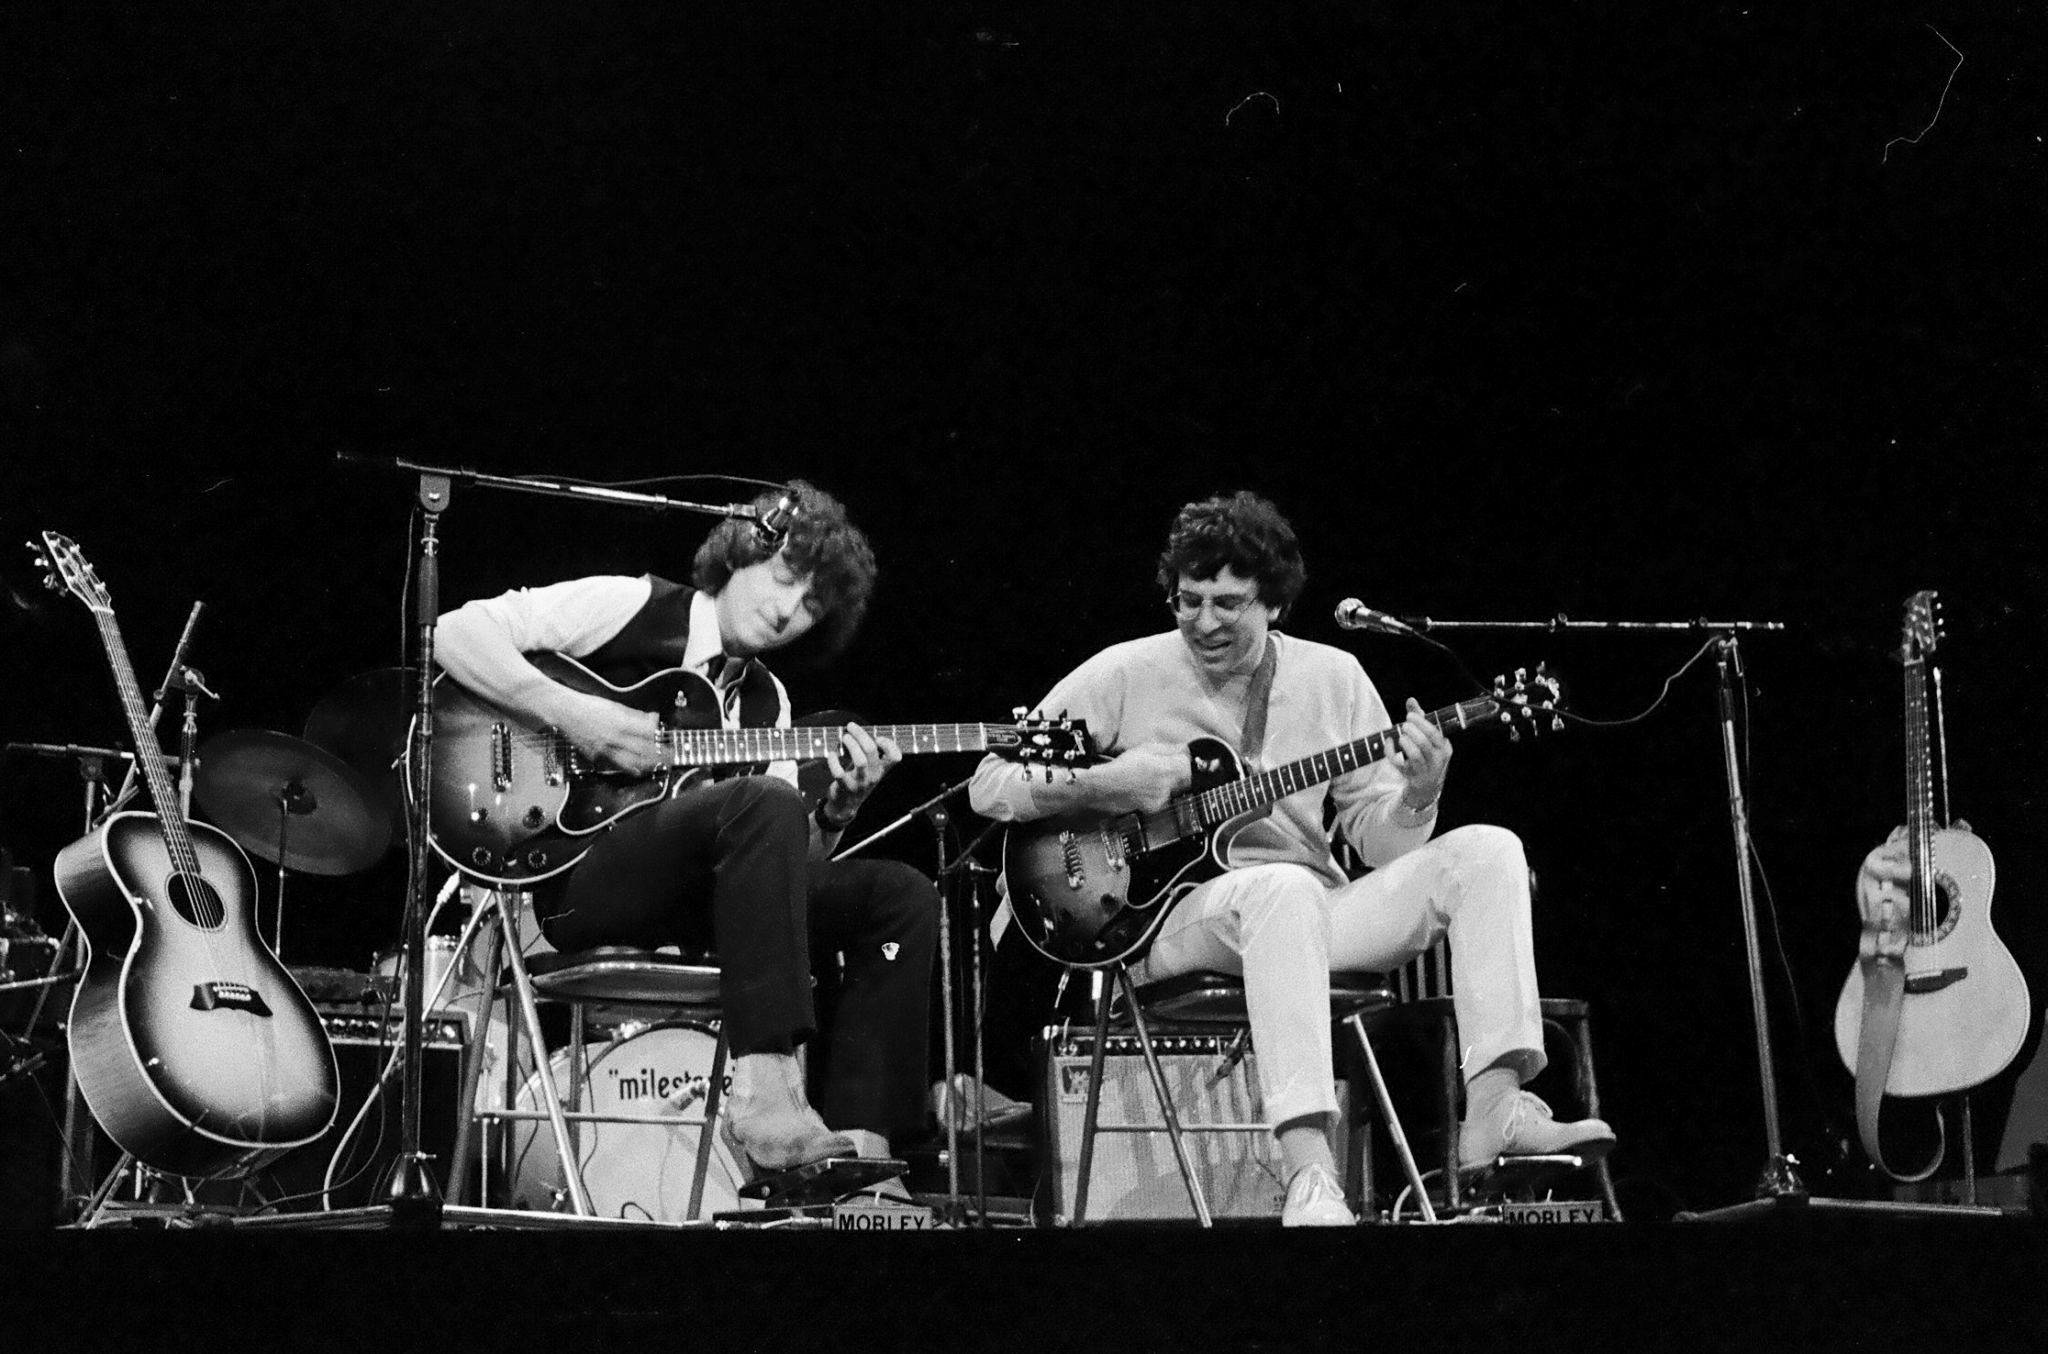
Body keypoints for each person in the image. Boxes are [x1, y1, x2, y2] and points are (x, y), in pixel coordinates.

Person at [968, 490, 1613, 1226]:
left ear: (1274, 602)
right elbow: (990, 782)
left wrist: (1420, 793)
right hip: (1171, 922)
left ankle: (1495, 1110)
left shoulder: (1334, 677)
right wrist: (1114, 782)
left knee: (1490, 851)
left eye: (1228, 603)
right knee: (1280, 888)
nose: (1203, 622)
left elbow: (1380, 844)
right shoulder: (1124, 671)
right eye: (1188, 600)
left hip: (1309, 910)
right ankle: (1310, 1172)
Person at [433, 480, 937, 1177]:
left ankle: (864, 1151)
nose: (787, 610)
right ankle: (767, 1098)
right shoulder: (634, 605)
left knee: (899, 894)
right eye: (784, 579)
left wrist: (838, 811)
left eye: (811, 606)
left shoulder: (768, 702)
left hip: (702, 906)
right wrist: (577, 716)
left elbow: (783, 868)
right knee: (761, 800)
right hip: (580, 882)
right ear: (740, 552)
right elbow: (454, 633)